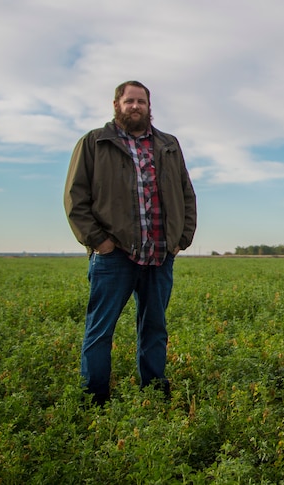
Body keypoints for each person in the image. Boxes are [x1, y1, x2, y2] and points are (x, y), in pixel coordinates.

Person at [64, 80, 197, 404]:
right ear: (116, 105)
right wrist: (100, 242)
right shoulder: (95, 142)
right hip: (115, 257)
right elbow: (75, 198)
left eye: (141, 101)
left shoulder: (168, 144)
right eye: (129, 101)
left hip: (159, 255)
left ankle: (154, 394)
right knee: (100, 332)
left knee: (154, 329)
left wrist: (181, 239)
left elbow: (186, 194)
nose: (135, 106)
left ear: (149, 107)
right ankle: (94, 400)